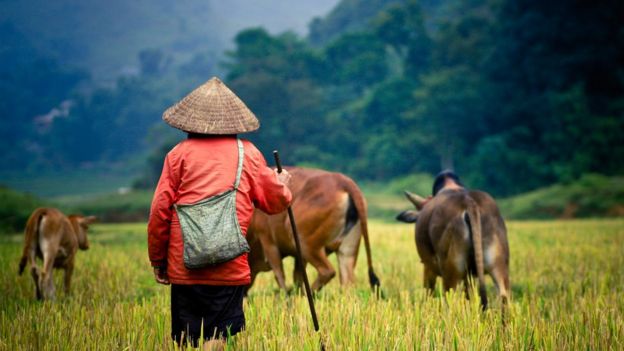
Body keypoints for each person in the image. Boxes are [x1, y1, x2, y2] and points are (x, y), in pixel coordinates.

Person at [147, 77, 292, 350]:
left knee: (186, 338)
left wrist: (158, 259)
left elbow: (159, 211)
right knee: (218, 336)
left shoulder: (177, 155)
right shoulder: (248, 153)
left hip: (184, 264)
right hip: (229, 264)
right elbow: (274, 202)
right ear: (234, 123)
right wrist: (283, 184)